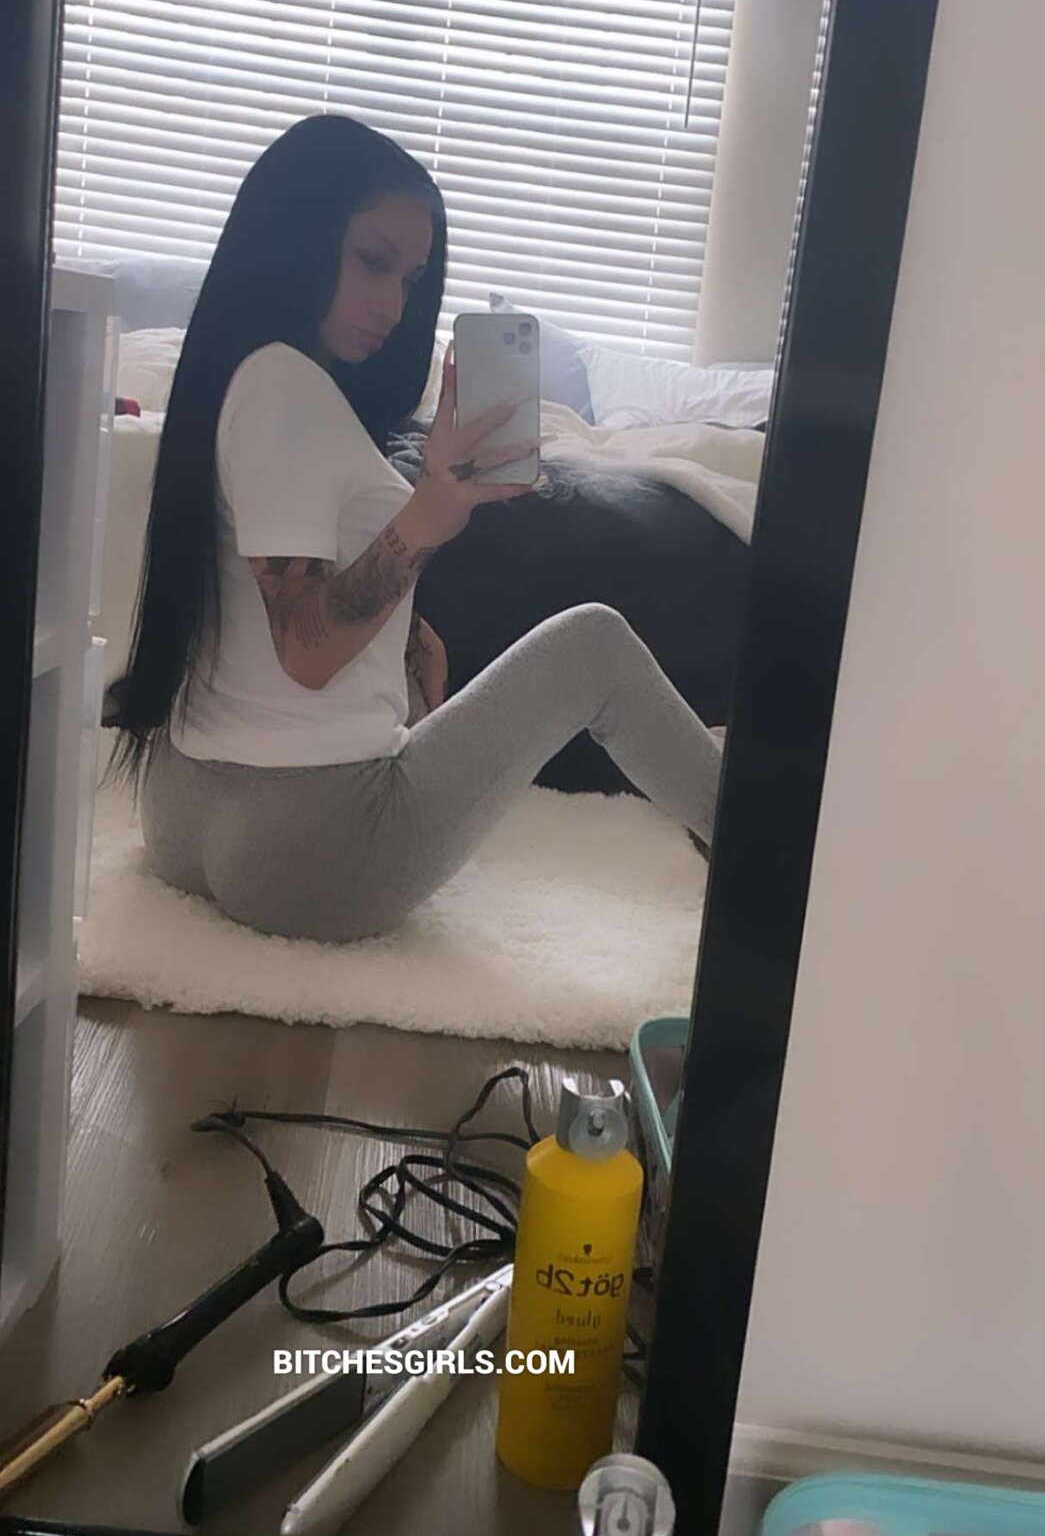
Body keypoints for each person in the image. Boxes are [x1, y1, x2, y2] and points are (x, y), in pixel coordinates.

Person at [113, 114, 724, 943]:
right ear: (299, 233)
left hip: (183, 811)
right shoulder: (285, 387)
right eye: (373, 261)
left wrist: (403, 630)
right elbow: (305, 650)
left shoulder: (238, 373)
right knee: (593, 645)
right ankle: (759, 835)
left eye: (410, 279)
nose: (394, 305)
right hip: (312, 850)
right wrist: (429, 513)